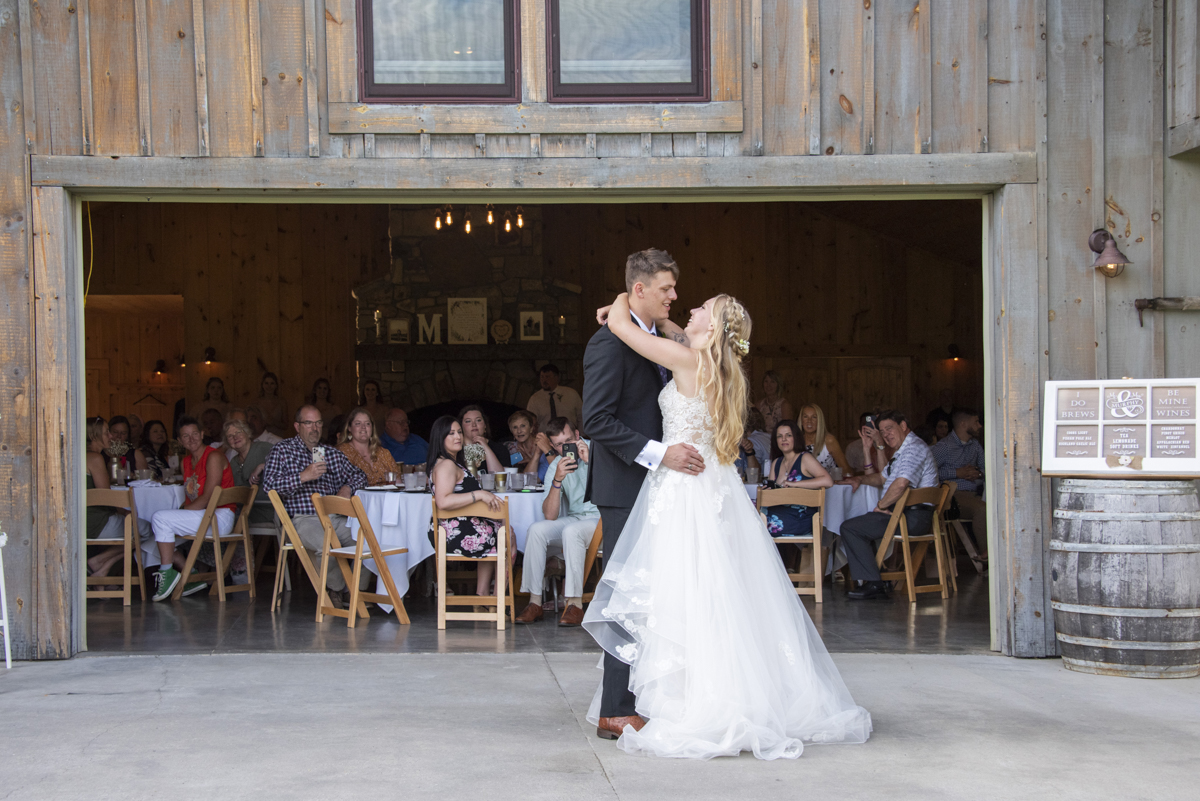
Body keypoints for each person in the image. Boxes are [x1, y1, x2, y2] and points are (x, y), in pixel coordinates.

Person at [583, 280, 871, 759]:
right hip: (710, 486)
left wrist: (619, 303)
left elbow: (626, 331)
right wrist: (662, 317)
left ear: (712, 327)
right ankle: (698, 687)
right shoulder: (719, 365)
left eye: (701, 308)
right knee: (709, 588)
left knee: (685, 588)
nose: (689, 308)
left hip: (685, 489)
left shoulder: (688, 361)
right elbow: (672, 330)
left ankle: (692, 697)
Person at [262, 405, 369, 608]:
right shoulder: (283, 450)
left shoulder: (330, 453)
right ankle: (335, 590)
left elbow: (360, 475)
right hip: (303, 518)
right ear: (297, 426)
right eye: (308, 423)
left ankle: (354, 590)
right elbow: (269, 486)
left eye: (318, 423)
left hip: (334, 517)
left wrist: (347, 488)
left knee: (367, 539)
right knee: (326, 544)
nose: (315, 428)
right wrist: (303, 476)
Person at [839, 409, 940, 600]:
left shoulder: (913, 449)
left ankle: (874, 584)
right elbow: (882, 478)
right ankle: (877, 580)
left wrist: (881, 505)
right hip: (904, 514)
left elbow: (901, 484)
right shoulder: (902, 452)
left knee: (850, 528)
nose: (885, 434)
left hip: (911, 517)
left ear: (903, 426)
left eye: (889, 428)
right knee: (861, 524)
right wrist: (859, 479)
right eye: (882, 431)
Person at [515, 418, 600, 627]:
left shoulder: (598, 451)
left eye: (569, 440)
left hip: (601, 518)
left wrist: (591, 463)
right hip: (576, 518)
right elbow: (550, 515)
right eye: (560, 444)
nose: (566, 447)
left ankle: (574, 604)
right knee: (536, 530)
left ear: (578, 435)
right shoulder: (558, 463)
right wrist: (557, 480)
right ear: (552, 446)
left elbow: (617, 490)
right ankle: (534, 602)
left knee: (572, 531)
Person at [148, 416, 236, 601]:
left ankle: (168, 572)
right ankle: (192, 576)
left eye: (195, 434)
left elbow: (208, 496)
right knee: (153, 534)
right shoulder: (186, 462)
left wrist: (180, 513)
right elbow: (192, 498)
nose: (192, 439)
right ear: (180, 441)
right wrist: (181, 511)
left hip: (220, 516)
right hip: (204, 515)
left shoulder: (213, 456)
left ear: (202, 434)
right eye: (186, 436)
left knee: (159, 519)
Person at [427, 415, 507, 602]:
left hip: (450, 530)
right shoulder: (446, 464)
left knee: (500, 529)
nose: (458, 437)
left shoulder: (450, 462)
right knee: (506, 535)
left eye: (459, 432)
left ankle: (483, 596)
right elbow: (443, 502)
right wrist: (479, 494)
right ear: (440, 438)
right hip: (454, 533)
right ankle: (498, 601)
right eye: (451, 433)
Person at [85, 417, 153, 582]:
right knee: (149, 530)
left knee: (135, 528)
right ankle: (99, 563)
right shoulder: (95, 458)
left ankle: (102, 572)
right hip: (96, 522)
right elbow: (107, 497)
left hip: (79, 521)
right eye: (106, 432)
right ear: (94, 436)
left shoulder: (77, 455)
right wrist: (126, 511)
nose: (110, 436)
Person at [762, 419, 833, 537]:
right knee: (748, 510)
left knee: (754, 523)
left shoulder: (805, 458)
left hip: (799, 518)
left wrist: (794, 484)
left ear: (796, 438)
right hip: (778, 512)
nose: (784, 439)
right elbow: (772, 496)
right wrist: (767, 492)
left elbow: (828, 481)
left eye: (788, 435)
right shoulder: (776, 462)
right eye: (779, 436)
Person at [931, 408, 986, 549]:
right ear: (963, 424)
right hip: (952, 496)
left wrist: (979, 473)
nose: (980, 425)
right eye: (976, 422)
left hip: (976, 493)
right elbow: (927, 472)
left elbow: (988, 468)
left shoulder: (975, 445)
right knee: (982, 510)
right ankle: (987, 555)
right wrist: (956, 473)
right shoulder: (944, 447)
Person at [337, 407, 401, 486]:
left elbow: (398, 482)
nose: (363, 427)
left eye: (367, 423)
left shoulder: (384, 453)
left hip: (386, 497)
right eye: (358, 423)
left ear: (372, 428)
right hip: (356, 498)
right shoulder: (342, 452)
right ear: (349, 428)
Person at [526, 364, 583, 433]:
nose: (544, 380)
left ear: (556, 377)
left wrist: (581, 435)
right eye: (542, 377)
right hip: (545, 437)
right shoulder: (534, 399)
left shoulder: (571, 394)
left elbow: (581, 416)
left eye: (547, 377)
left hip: (569, 436)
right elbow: (529, 421)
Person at [799, 403, 852, 476]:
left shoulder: (829, 440)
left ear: (819, 420)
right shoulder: (796, 441)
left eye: (814, 417)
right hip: (803, 485)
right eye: (805, 417)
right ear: (801, 420)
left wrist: (836, 481)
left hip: (828, 486)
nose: (809, 421)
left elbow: (846, 470)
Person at [458, 405, 506, 473]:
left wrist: (485, 446)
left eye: (478, 420)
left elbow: (501, 479)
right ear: (461, 426)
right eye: (468, 421)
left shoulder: (500, 449)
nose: (474, 425)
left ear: (485, 425)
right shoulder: (455, 450)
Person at [506, 410, 548, 480]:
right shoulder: (510, 448)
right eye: (515, 427)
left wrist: (531, 460)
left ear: (531, 428)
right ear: (511, 431)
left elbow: (537, 477)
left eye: (523, 426)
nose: (519, 431)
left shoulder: (542, 445)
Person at [257, 372, 290, 438]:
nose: (269, 386)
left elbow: (286, 425)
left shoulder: (281, 402)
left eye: (272, 383)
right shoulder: (257, 402)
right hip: (261, 438)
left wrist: (274, 422)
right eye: (266, 383)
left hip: (277, 438)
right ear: (262, 385)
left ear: (276, 385)